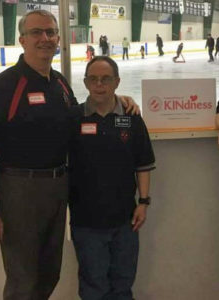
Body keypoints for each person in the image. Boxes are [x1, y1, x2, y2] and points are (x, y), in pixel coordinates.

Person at [0, 10, 140, 300]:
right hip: (20, 190)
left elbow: (80, 116)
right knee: (23, 278)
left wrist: (115, 99)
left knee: (49, 272)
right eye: (37, 32)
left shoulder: (60, 83)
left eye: (50, 32)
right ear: (22, 39)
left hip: (59, 186)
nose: (45, 38)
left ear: (59, 38)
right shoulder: (2, 87)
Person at [68, 56, 156, 300]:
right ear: (85, 82)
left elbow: (143, 164)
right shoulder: (73, 118)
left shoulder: (132, 117)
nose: (99, 84)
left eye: (106, 79)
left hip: (125, 221)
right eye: (93, 79)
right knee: (93, 287)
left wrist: (144, 202)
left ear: (117, 82)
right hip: (86, 222)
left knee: (122, 286)